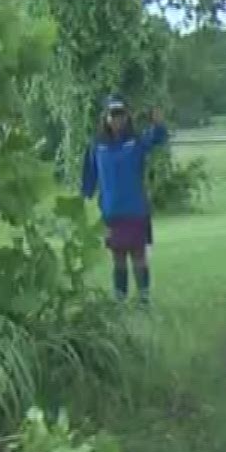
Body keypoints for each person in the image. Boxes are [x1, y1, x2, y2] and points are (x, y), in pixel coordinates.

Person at [80, 96, 169, 304]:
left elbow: (157, 138)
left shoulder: (135, 142)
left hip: (135, 208)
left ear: (127, 117)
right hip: (111, 210)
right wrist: (84, 197)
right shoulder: (97, 146)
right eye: (113, 115)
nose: (117, 120)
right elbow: (89, 176)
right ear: (106, 118)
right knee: (118, 257)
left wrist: (158, 123)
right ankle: (119, 299)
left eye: (121, 115)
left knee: (138, 255)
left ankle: (144, 299)